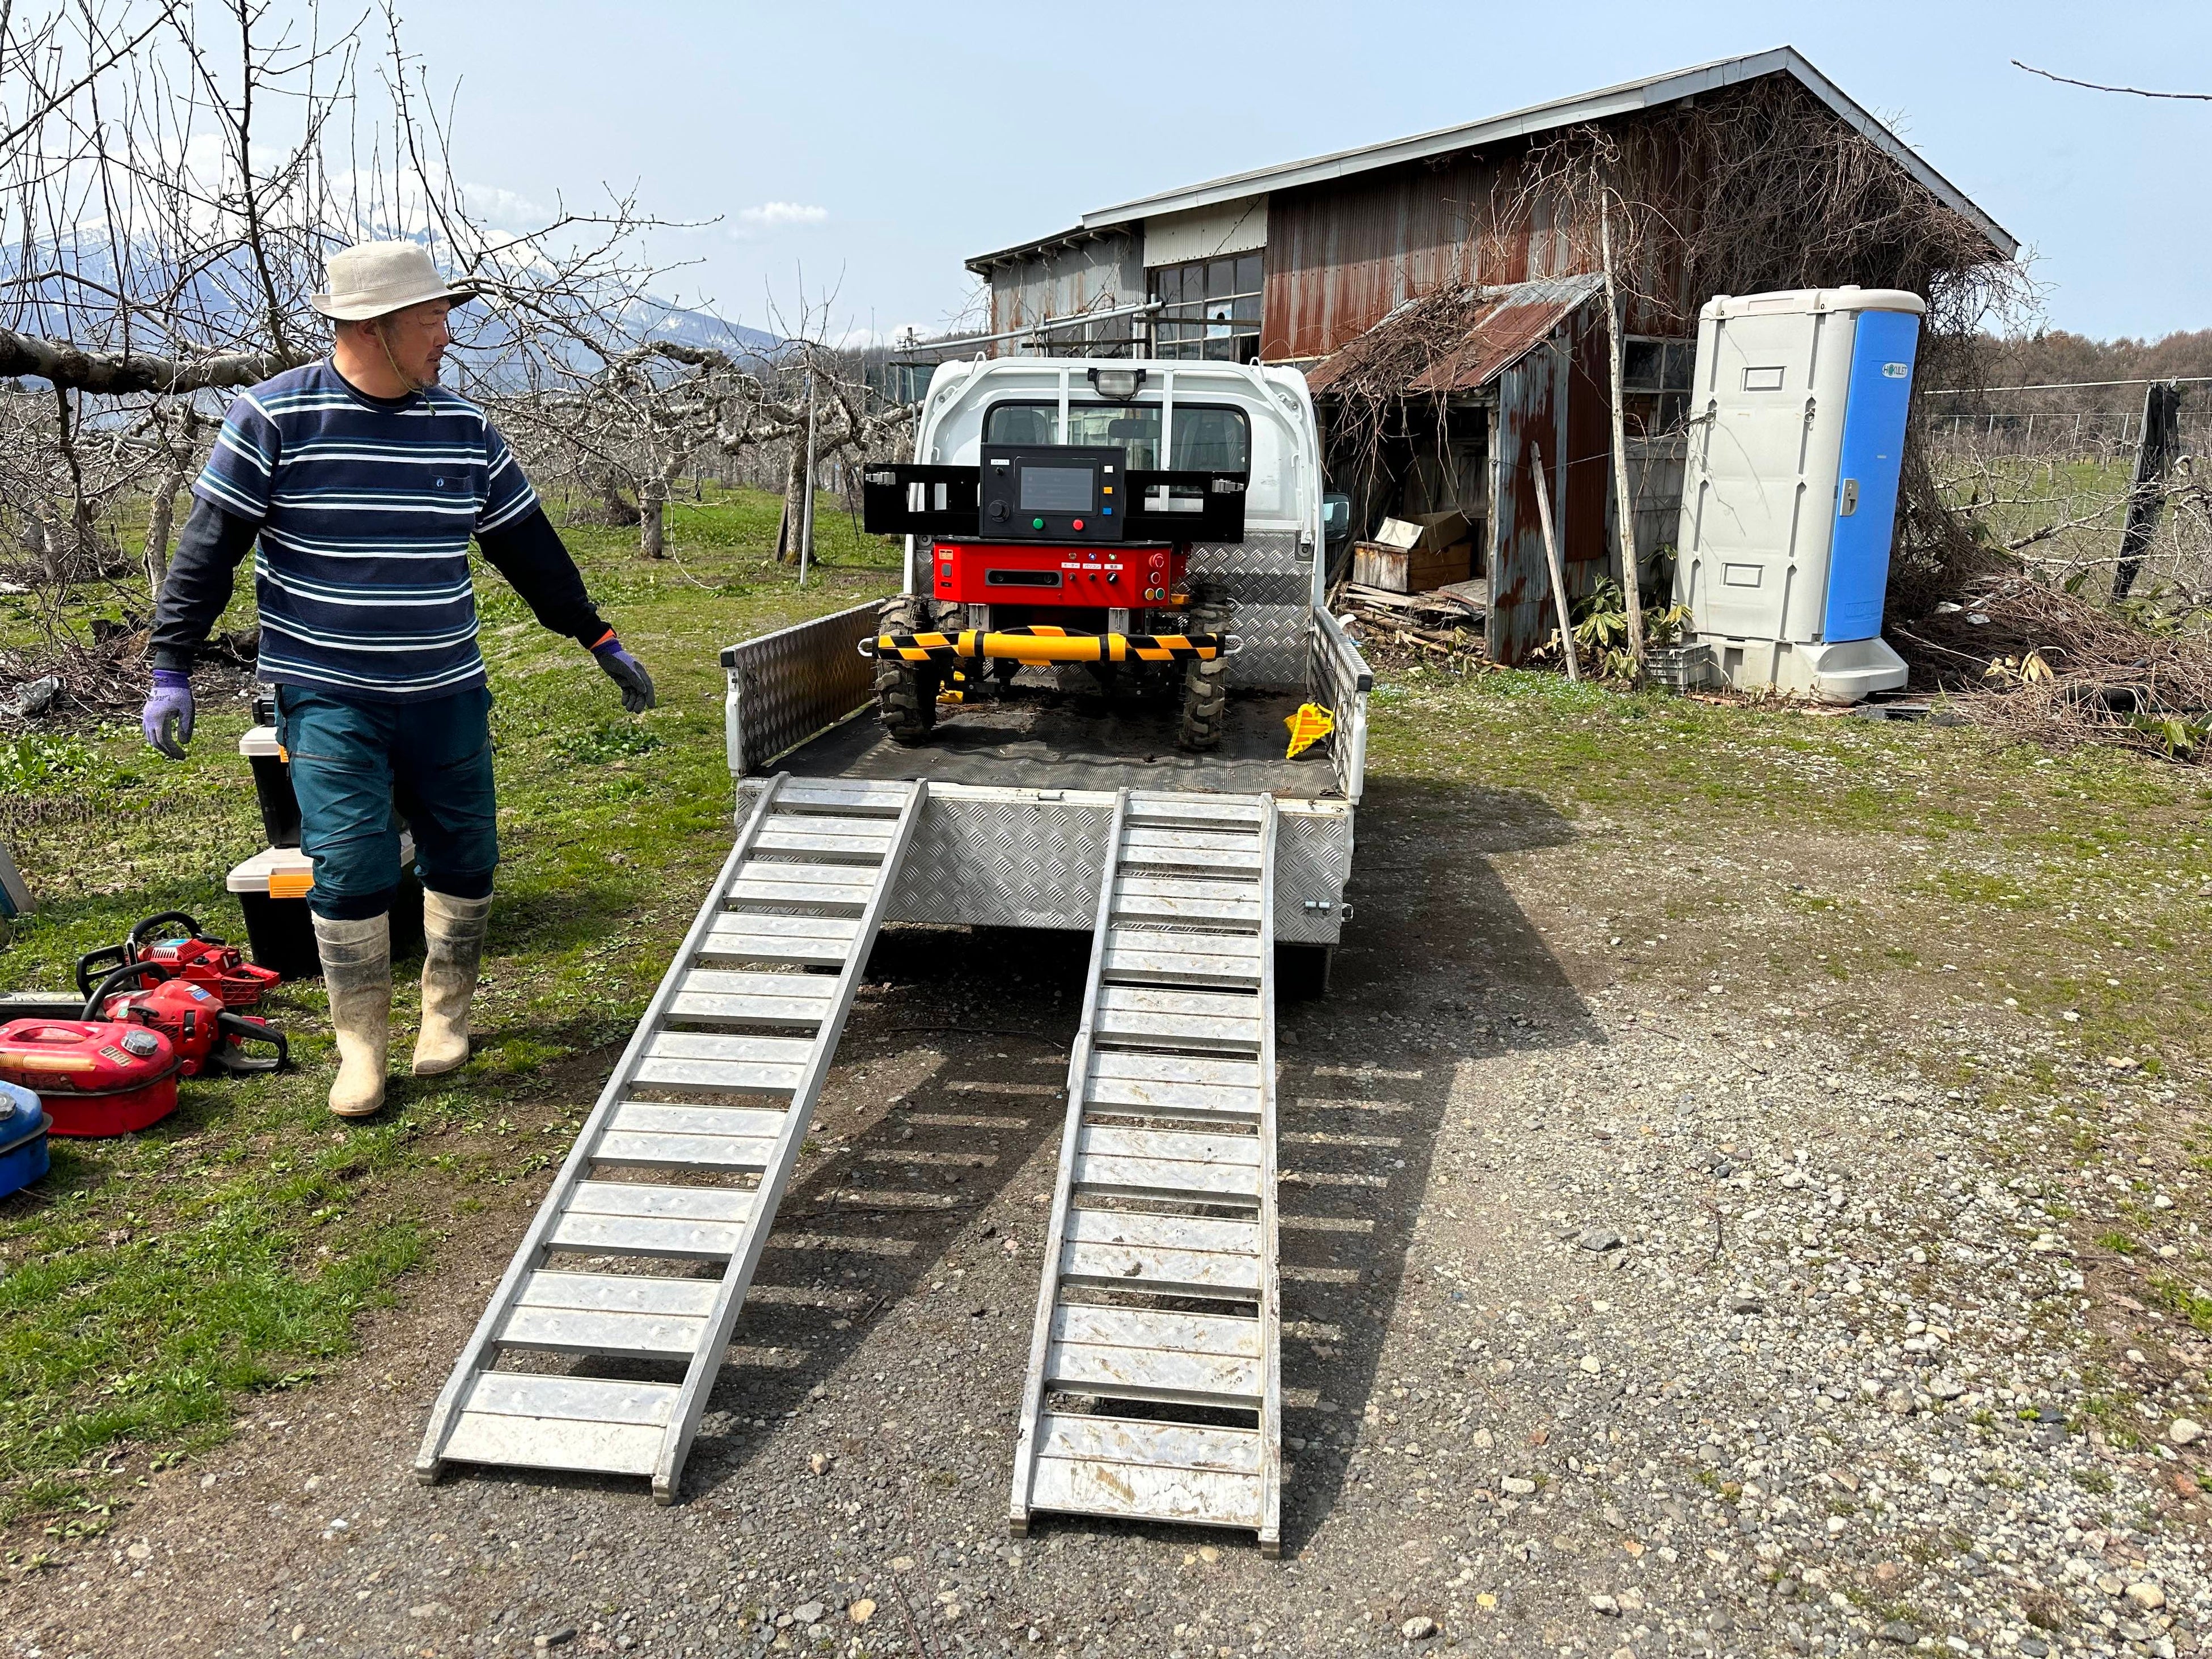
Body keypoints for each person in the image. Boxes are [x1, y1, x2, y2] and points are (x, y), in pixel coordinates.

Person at [140, 240, 656, 1118]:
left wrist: (594, 632)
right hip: (330, 693)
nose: (447, 334)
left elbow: (528, 549)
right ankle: (362, 1047)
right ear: (373, 328)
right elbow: (207, 551)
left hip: (446, 689)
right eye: (431, 318)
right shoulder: (272, 422)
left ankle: (445, 1013)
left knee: (466, 851)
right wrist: (170, 664)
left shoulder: (463, 431)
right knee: (350, 863)